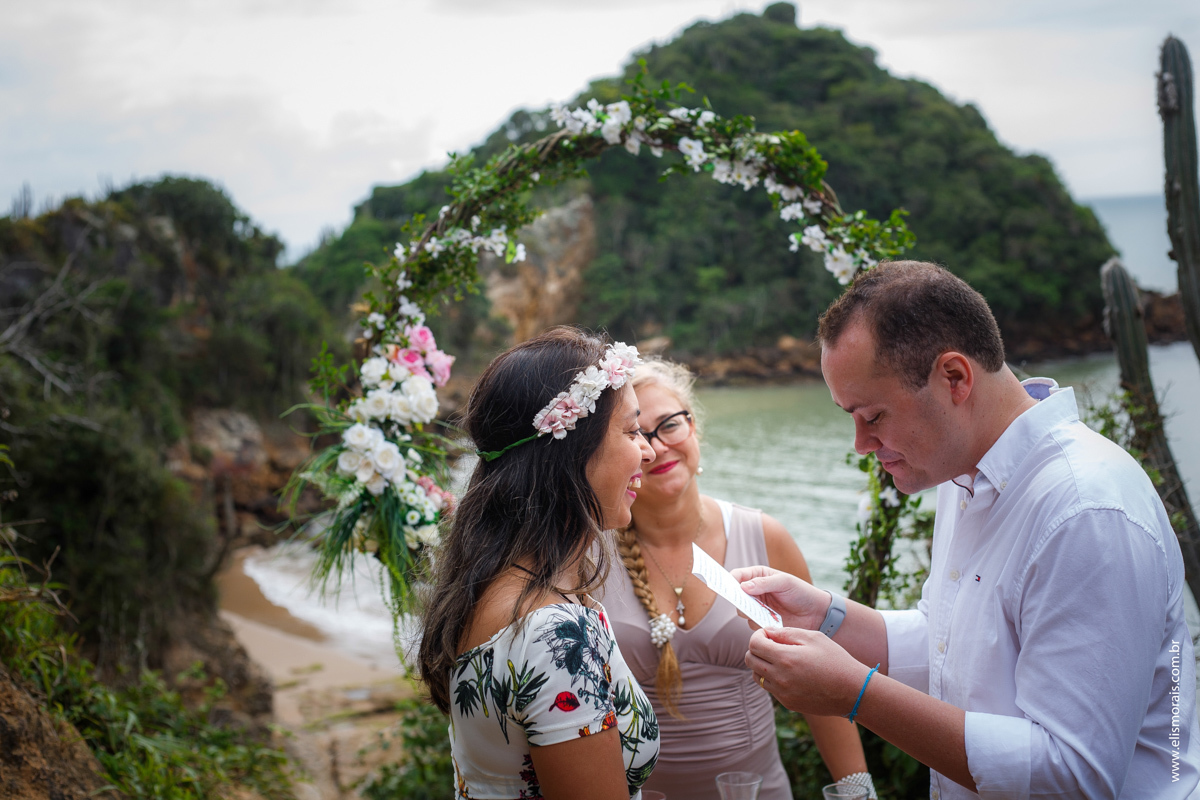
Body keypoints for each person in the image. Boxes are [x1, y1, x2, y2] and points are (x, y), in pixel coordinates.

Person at [734, 260, 1200, 798]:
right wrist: (826, 617)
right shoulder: (965, 474)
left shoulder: (1086, 511)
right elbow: (945, 643)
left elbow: (1074, 774)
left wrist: (857, 695)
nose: (861, 444)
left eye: (873, 416)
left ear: (954, 378)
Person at [600, 358, 877, 800]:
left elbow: (821, 681)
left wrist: (857, 790)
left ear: (694, 427)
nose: (659, 447)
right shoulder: (592, 557)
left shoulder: (764, 537)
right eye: (637, 434)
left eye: (670, 425)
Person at [418, 327, 660, 800]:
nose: (648, 451)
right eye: (632, 431)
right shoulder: (554, 635)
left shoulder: (487, 585)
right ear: (572, 450)